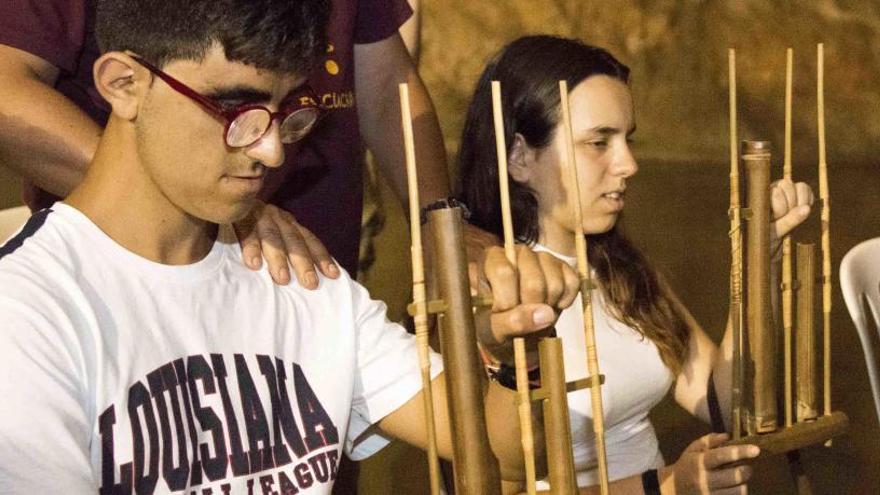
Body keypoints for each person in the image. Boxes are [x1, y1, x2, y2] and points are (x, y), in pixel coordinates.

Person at [0, 5, 577, 493]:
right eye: (239, 112)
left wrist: (520, 351)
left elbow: (504, 453)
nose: (273, 153)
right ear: (124, 84)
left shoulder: (305, 281)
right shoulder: (29, 314)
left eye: (289, 115)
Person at [458, 35, 816, 494]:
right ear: (520, 157)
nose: (628, 164)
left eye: (627, 140)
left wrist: (760, 257)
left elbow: (727, 404)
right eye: (598, 142)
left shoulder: (619, 266)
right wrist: (665, 486)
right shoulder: (486, 292)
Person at [0, 0, 453, 288]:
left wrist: (438, 224)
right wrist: (207, 203)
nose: (270, 151)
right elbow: (7, 92)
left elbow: (388, 86)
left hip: (311, 278)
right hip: (134, 281)